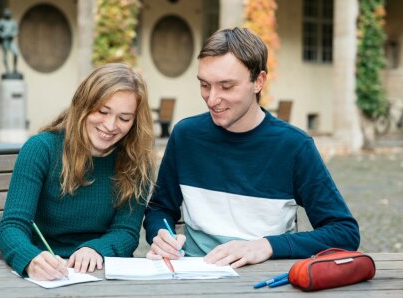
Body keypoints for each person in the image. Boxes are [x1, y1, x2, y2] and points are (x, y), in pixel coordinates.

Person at [143, 27, 360, 268]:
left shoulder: (294, 146)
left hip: (266, 282)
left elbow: (345, 233)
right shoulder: (185, 137)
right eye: (205, 85)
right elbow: (160, 208)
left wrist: (265, 246)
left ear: (258, 81)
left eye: (226, 87)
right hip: (194, 276)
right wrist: (160, 235)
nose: (212, 99)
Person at [0, 63, 156, 280]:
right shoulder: (41, 149)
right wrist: (31, 259)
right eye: (102, 111)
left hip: (102, 273)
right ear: (83, 104)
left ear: (135, 121)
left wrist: (96, 249)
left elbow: (126, 232)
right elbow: (12, 225)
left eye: (124, 118)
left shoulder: (136, 162)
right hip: (45, 272)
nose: (110, 125)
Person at [0, 8, 19, 74]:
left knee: (16, 53)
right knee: (5, 55)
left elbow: (16, 31)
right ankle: (7, 70)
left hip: (10, 41)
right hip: (4, 41)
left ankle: (15, 69)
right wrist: (1, 34)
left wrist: (13, 34)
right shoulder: (1, 21)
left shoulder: (13, 22)